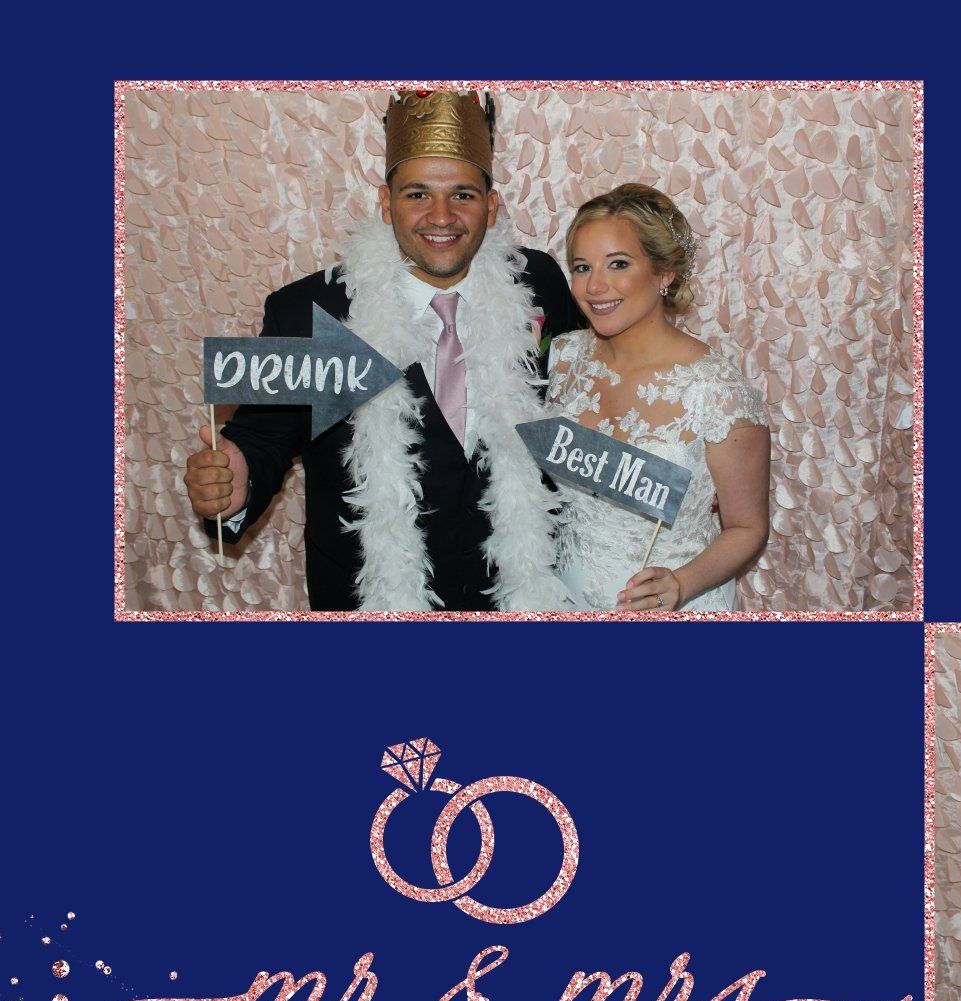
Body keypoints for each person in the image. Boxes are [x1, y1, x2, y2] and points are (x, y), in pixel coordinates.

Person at [182, 90, 581, 611]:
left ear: (493, 203)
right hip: (371, 596)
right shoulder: (313, 310)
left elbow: (587, 396)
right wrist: (238, 478)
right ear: (385, 201)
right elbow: (263, 438)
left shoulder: (538, 282)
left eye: (463, 194)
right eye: (417, 194)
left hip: (518, 594)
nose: (441, 216)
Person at [546, 185, 770, 611]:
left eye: (618, 264)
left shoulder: (716, 390)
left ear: (664, 274)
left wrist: (681, 585)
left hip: (674, 605)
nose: (595, 286)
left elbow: (747, 527)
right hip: (564, 596)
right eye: (581, 267)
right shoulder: (563, 358)